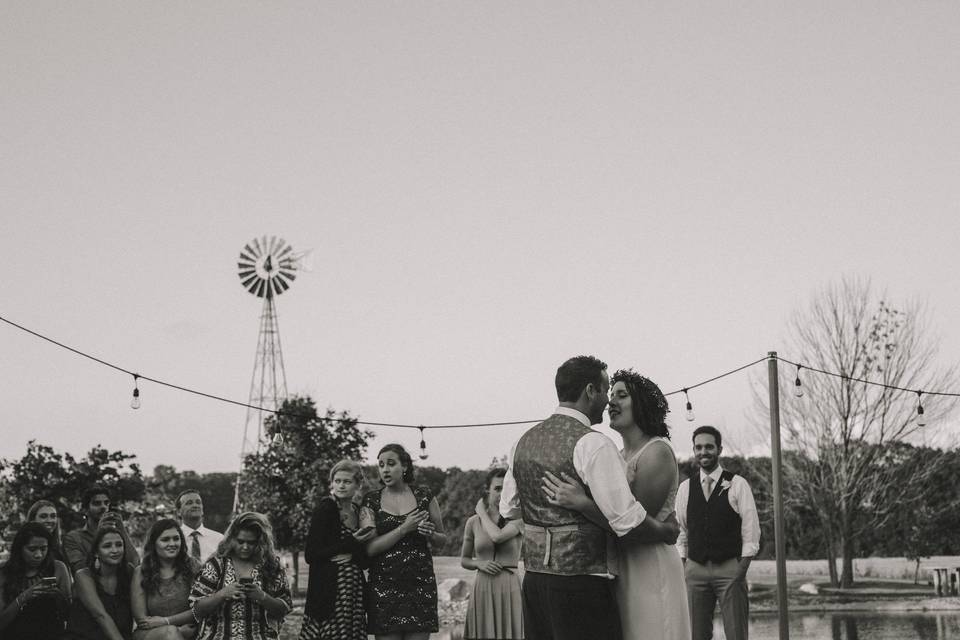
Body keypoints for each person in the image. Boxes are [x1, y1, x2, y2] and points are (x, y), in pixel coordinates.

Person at [499, 355, 679, 640]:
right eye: (607, 390)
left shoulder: (523, 441)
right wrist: (666, 530)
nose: (608, 400)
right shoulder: (593, 443)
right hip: (581, 583)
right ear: (590, 391)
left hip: (534, 580)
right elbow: (628, 522)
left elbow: (509, 509)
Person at [543, 369, 691, 640]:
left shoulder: (656, 452)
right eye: (611, 395)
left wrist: (583, 503)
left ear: (642, 404)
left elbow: (632, 529)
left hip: (649, 564)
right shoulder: (618, 455)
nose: (612, 402)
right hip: (619, 567)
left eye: (621, 395)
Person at [676, 425, 760, 640]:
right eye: (698, 447)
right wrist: (685, 564)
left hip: (729, 569)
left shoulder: (737, 484)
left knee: (736, 633)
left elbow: (750, 529)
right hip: (695, 570)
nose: (703, 452)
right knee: (697, 634)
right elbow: (681, 530)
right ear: (694, 450)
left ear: (719, 449)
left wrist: (740, 569)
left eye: (709, 447)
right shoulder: (685, 488)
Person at [360, 443, 447, 640]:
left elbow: (442, 540)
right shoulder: (370, 501)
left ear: (405, 467)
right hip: (384, 589)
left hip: (420, 587)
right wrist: (403, 529)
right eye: (381, 465)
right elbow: (370, 549)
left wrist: (430, 534)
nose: (385, 469)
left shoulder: (425, 496)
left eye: (391, 464)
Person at [298, 459, 376, 640]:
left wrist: (352, 554)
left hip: (353, 592)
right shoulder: (326, 508)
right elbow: (311, 554)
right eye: (337, 481)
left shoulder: (359, 512)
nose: (341, 486)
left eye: (347, 482)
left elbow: (364, 559)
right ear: (332, 483)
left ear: (358, 485)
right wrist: (351, 541)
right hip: (329, 593)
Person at [189, 512, 292, 640]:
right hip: (219, 636)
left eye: (251, 543)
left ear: (260, 542)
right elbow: (197, 610)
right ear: (231, 539)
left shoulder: (271, 566)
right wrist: (222, 594)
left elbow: (285, 608)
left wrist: (262, 597)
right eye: (240, 541)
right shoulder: (216, 565)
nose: (245, 547)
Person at [460, 467, 523, 640]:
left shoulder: (519, 519)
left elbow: (497, 537)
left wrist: (481, 512)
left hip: (510, 586)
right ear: (487, 489)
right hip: (483, 585)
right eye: (497, 488)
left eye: (506, 489)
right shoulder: (472, 523)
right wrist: (478, 563)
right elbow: (464, 560)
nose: (502, 493)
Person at [131, 518, 201, 639]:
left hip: (189, 631)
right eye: (165, 539)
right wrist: (176, 630)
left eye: (176, 538)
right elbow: (142, 620)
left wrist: (167, 621)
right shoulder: (141, 572)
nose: (172, 544)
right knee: (171, 633)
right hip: (152, 634)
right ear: (153, 544)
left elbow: (201, 608)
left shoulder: (192, 567)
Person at [0, 522, 72, 639]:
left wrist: (58, 595)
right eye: (32, 549)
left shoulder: (58, 568)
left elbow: (69, 616)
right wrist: (24, 597)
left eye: (43, 549)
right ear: (20, 548)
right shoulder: (5, 572)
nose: (38, 555)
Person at [64, 526, 136, 640]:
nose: (115, 550)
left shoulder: (129, 572)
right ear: (96, 552)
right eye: (107, 546)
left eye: (119, 545)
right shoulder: (84, 575)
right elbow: (100, 615)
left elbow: (137, 561)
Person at [64, 487, 140, 574]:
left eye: (106, 503)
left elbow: (135, 563)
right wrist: (99, 534)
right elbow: (80, 569)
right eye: (97, 503)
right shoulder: (73, 538)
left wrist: (122, 529)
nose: (103, 507)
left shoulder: (115, 536)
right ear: (85, 510)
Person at [176, 490, 224, 564]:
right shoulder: (174, 539)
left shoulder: (219, 539)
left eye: (198, 502)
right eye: (189, 503)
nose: (195, 505)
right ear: (179, 512)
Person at [26, 499, 67, 563]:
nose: (49, 520)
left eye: (53, 516)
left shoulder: (61, 550)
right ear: (33, 519)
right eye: (43, 516)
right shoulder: (24, 548)